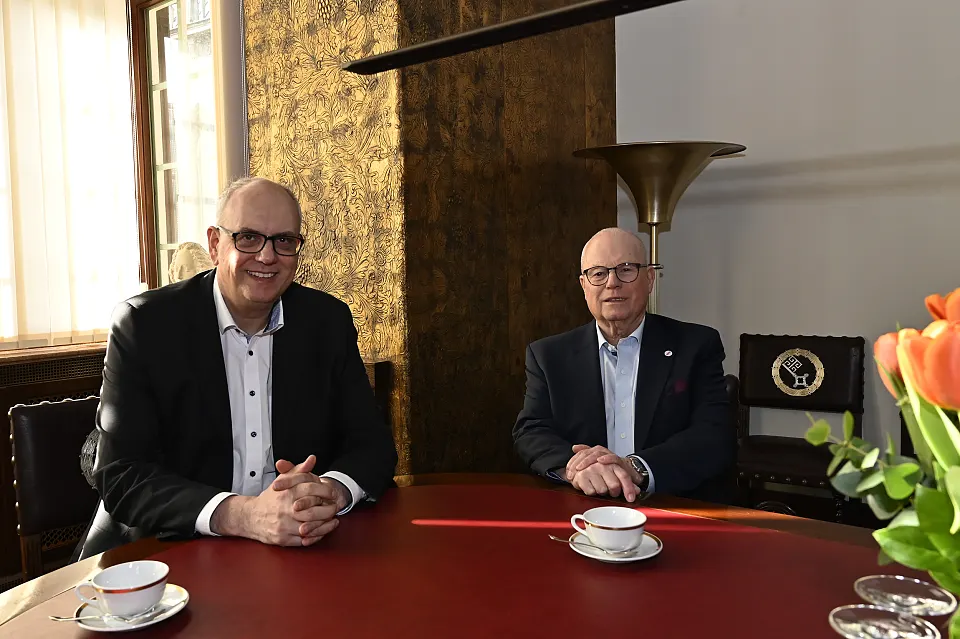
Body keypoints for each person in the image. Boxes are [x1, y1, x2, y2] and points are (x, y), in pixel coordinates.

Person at [77, 177, 397, 558]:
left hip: (297, 552)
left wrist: (330, 491)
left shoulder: (327, 322)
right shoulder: (145, 325)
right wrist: (243, 515)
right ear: (215, 244)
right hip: (173, 553)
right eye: (248, 237)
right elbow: (122, 474)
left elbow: (372, 445)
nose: (266, 256)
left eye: (284, 241)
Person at [512, 227, 735, 503]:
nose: (612, 283)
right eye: (598, 273)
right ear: (584, 286)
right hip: (583, 505)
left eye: (626, 269)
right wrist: (577, 468)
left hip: (672, 503)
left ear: (650, 279)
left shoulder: (696, 345)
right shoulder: (548, 355)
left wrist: (636, 467)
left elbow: (713, 435)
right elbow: (531, 429)